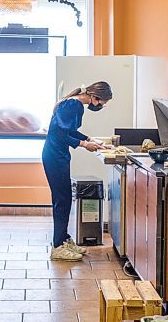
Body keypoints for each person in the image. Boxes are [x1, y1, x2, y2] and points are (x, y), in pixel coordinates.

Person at [42, 81, 112, 261]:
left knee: (64, 199)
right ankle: (57, 247)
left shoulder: (73, 103)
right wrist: (84, 144)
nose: (101, 106)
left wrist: (90, 138)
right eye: (102, 103)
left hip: (57, 155)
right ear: (95, 97)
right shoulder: (74, 105)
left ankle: (63, 239)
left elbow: (69, 131)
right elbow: (58, 134)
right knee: (62, 200)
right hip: (55, 156)